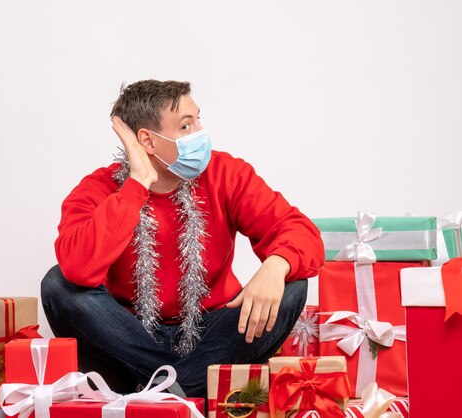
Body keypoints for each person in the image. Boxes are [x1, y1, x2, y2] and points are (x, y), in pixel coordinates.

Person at [41, 79, 324, 397]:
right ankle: (184, 387)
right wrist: (136, 185)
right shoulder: (99, 188)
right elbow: (79, 267)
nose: (200, 134)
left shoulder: (226, 173)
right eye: (186, 126)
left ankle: (162, 391)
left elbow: (302, 233)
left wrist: (276, 265)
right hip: (131, 336)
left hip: (212, 334)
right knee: (57, 285)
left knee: (293, 282)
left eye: (198, 120)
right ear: (148, 141)